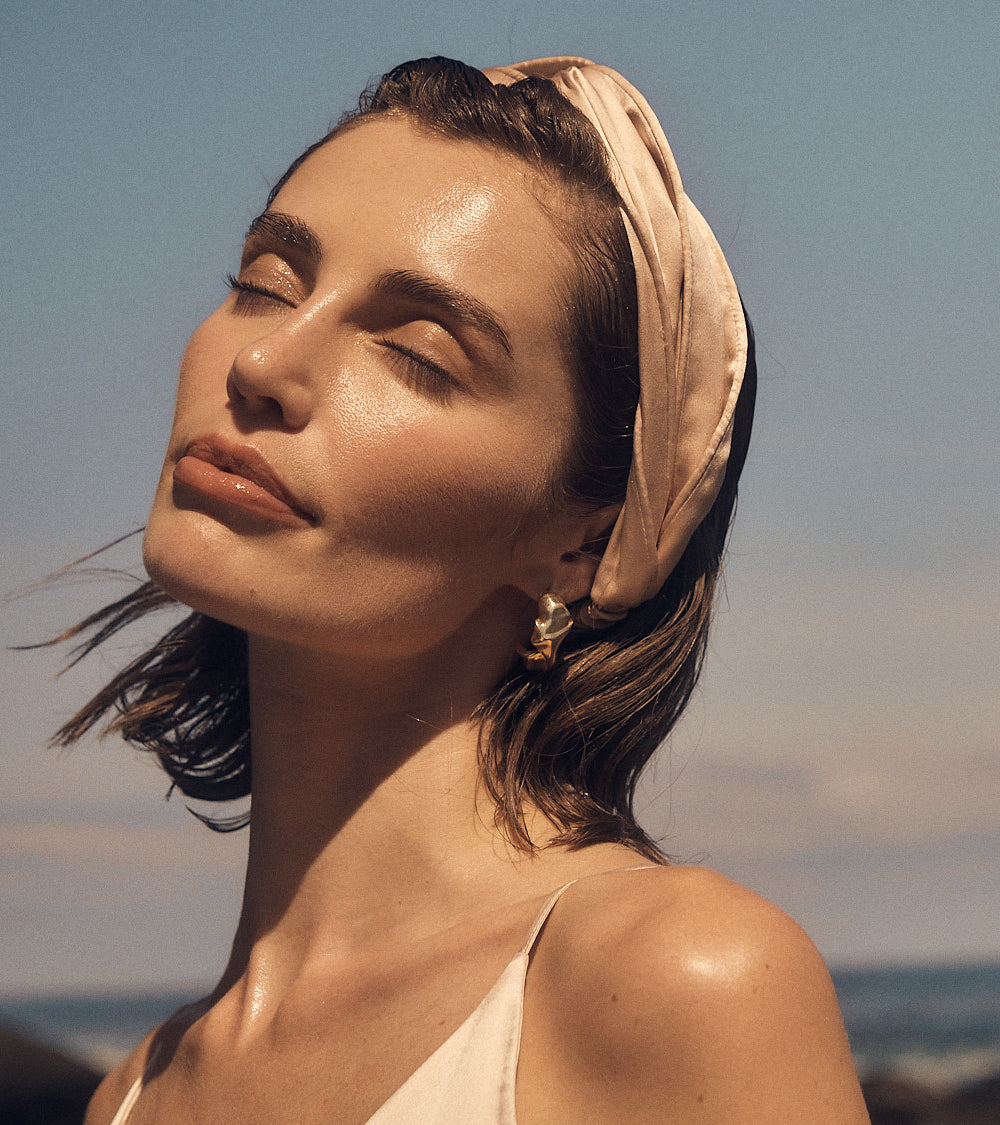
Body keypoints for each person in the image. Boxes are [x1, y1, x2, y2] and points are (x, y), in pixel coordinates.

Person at [57, 55, 869, 1123]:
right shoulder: (137, 1092)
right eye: (265, 283)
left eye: (415, 351)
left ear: (583, 541)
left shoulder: (676, 979)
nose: (263, 363)